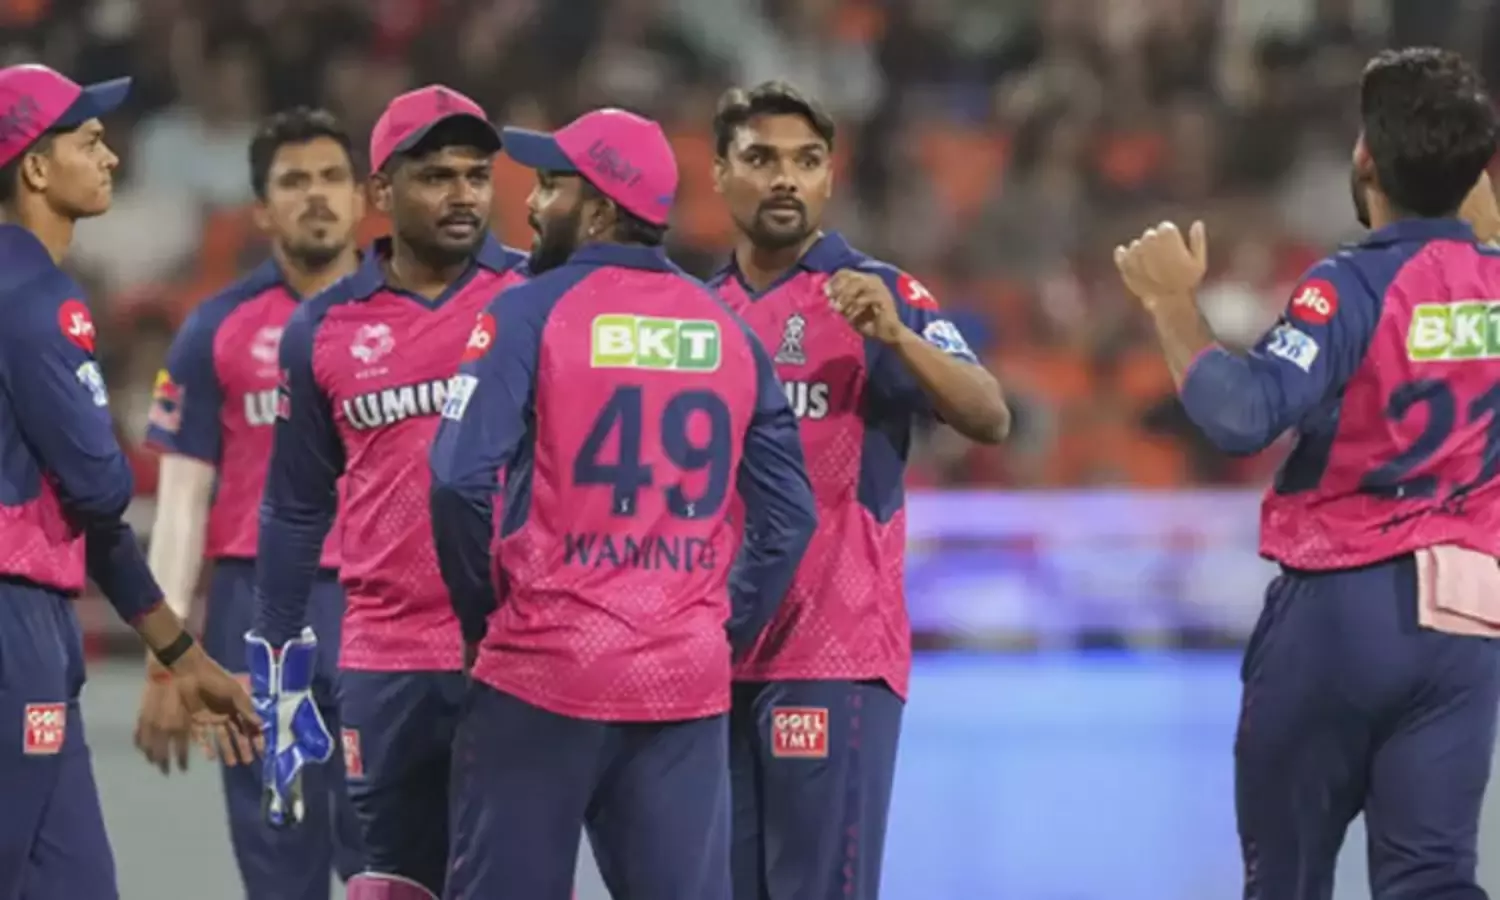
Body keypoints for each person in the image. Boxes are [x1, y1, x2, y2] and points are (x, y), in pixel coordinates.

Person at [1113, 47, 1500, 899]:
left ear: (1365, 160)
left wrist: (1172, 303)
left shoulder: (1350, 287)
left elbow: (1242, 415)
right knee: (1435, 879)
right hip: (1467, 621)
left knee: (1287, 877)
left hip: (1341, 608)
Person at [429, 107, 818, 900]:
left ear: (600, 209)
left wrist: (483, 616)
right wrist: (720, 628)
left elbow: (457, 481)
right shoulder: (731, 330)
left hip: (544, 672)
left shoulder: (525, 312)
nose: (531, 204)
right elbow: (789, 517)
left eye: (551, 186)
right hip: (682, 684)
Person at [706, 81, 1011, 900]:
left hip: (831, 653)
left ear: (829, 177)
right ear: (719, 173)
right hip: (711, 653)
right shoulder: (697, 313)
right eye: (761, 159)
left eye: (807, 162)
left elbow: (989, 415)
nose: (786, 179)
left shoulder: (875, 294)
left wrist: (899, 340)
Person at [249, 85, 527, 900]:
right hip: (385, 657)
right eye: (437, 176)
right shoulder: (323, 329)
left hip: (517, 649)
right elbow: (295, 507)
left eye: (476, 175)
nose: (463, 195)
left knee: (519, 878)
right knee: (395, 882)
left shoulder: (534, 299)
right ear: (381, 190)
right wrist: (275, 666)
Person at [0, 63, 258, 899]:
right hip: (13, 627)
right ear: (36, 168)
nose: (111, 156)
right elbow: (104, 488)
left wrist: (180, 654)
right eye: (89, 141)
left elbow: (93, 518)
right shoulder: (37, 299)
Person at [136, 106, 365, 900]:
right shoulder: (215, 328)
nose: (316, 195)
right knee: (279, 859)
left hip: (385, 607)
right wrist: (167, 660)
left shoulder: (408, 318)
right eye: (294, 182)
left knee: (398, 859)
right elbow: (181, 502)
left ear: (362, 195)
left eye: (332, 177)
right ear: (262, 210)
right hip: (257, 612)